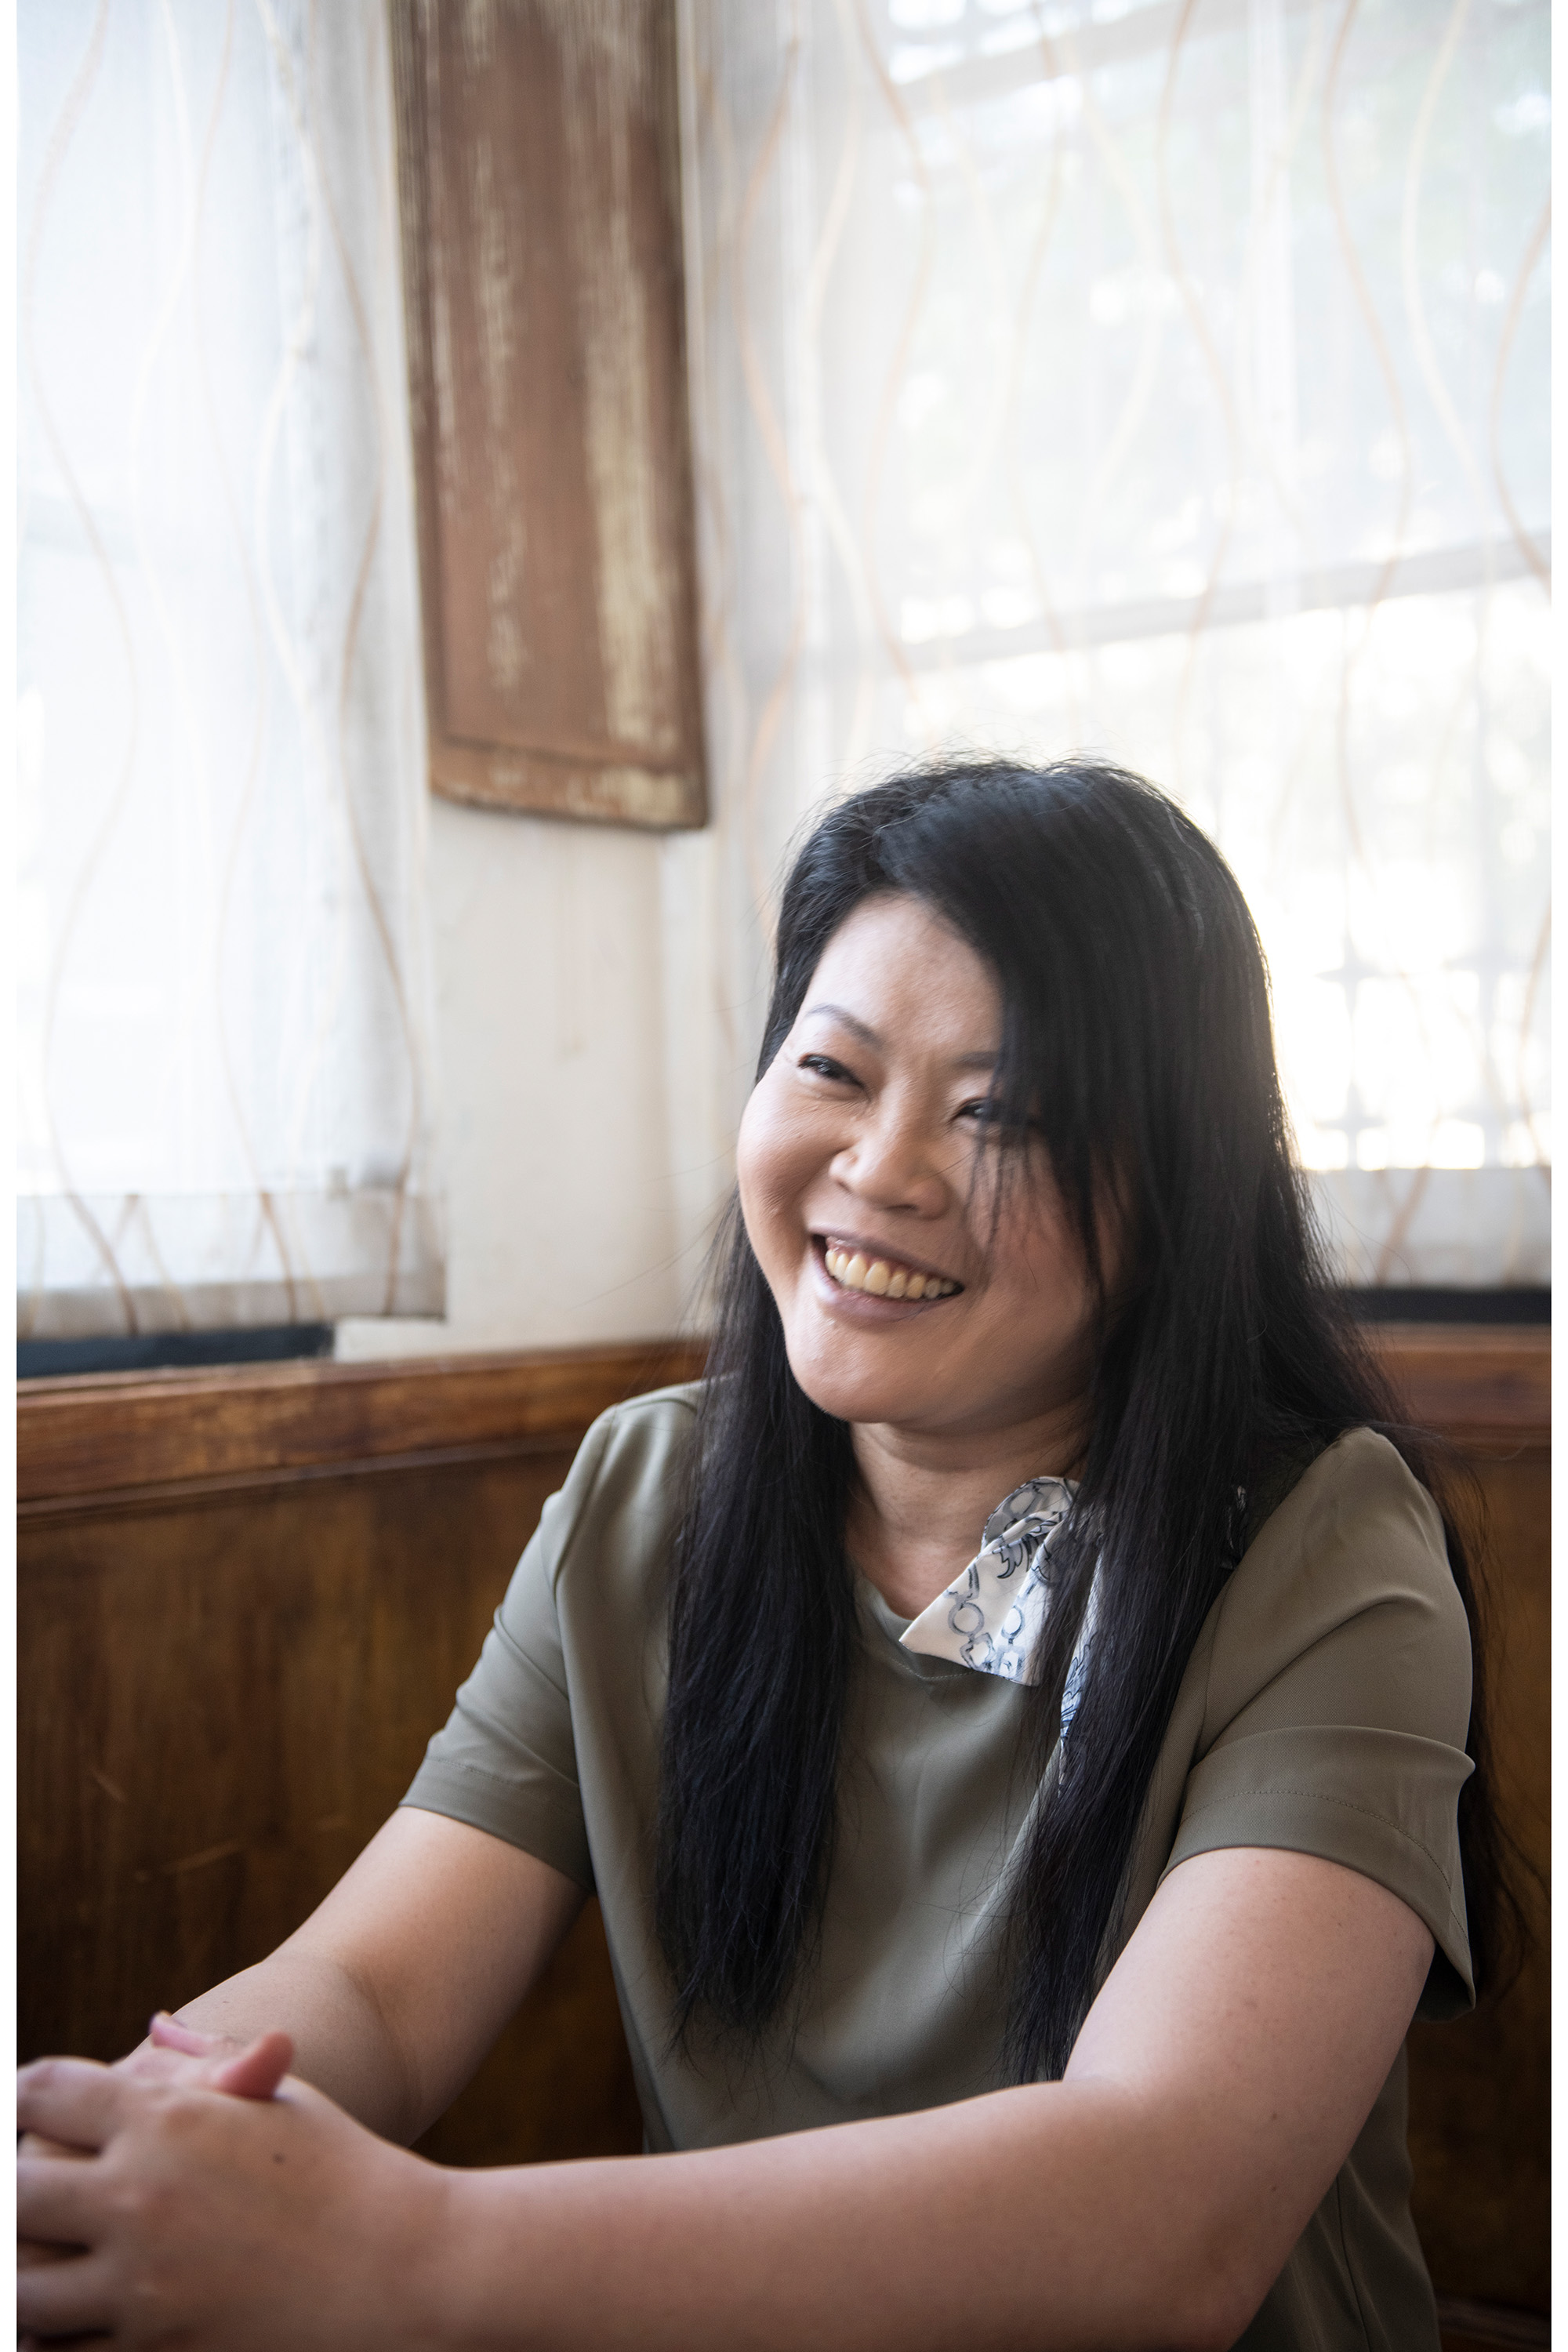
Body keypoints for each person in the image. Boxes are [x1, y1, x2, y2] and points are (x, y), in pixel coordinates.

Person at [18, 760, 1506, 2351]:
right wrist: (120, 2154)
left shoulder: (1322, 1548)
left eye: (1000, 1111)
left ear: (1176, 1187)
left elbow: (1164, 2208)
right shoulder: (648, 1494)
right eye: (834, 1069)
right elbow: (373, 1991)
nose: (882, 1168)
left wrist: (416, 2249)